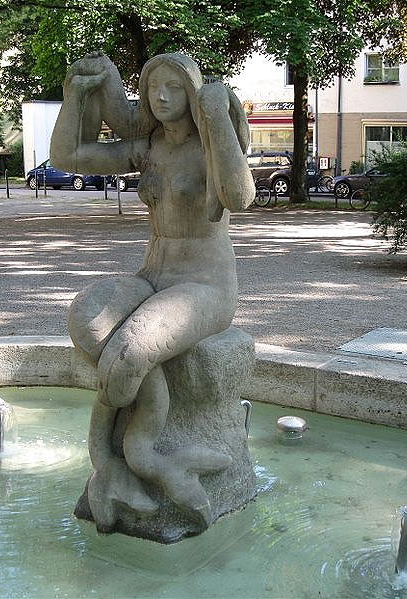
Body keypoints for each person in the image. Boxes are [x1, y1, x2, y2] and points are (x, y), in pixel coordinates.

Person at [50, 51, 255, 532]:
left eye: (174, 88)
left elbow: (241, 197)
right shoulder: (150, 146)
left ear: (194, 92)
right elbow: (67, 157)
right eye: (151, 87)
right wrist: (75, 96)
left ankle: (143, 457)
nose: (160, 97)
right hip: (152, 278)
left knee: (133, 347)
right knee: (86, 316)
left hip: (204, 285)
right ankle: (125, 459)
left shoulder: (209, 145)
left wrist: (219, 117)